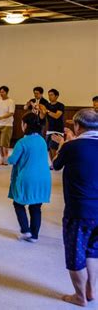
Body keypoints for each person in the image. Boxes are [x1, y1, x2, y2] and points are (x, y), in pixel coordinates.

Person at [51, 108, 98, 307]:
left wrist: (63, 144)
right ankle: (91, 290)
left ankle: (79, 296)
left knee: (75, 254)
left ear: (77, 126)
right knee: (92, 251)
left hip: (79, 210)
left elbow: (55, 165)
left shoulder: (72, 146)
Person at [8, 113, 51, 242]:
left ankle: (25, 230)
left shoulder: (22, 142)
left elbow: (13, 160)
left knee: (18, 203)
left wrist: (7, 157)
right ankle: (34, 235)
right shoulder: (42, 140)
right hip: (43, 178)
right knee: (36, 207)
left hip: (27, 177)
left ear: (25, 125)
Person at [39, 89, 65, 167]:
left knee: (54, 147)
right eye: (49, 94)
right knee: (49, 148)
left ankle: (56, 163)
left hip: (58, 129)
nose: (50, 96)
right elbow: (42, 116)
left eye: (51, 95)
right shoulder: (47, 105)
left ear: (56, 96)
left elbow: (57, 116)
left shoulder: (60, 105)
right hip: (49, 128)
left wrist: (46, 111)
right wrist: (41, 110)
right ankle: (53, 163)